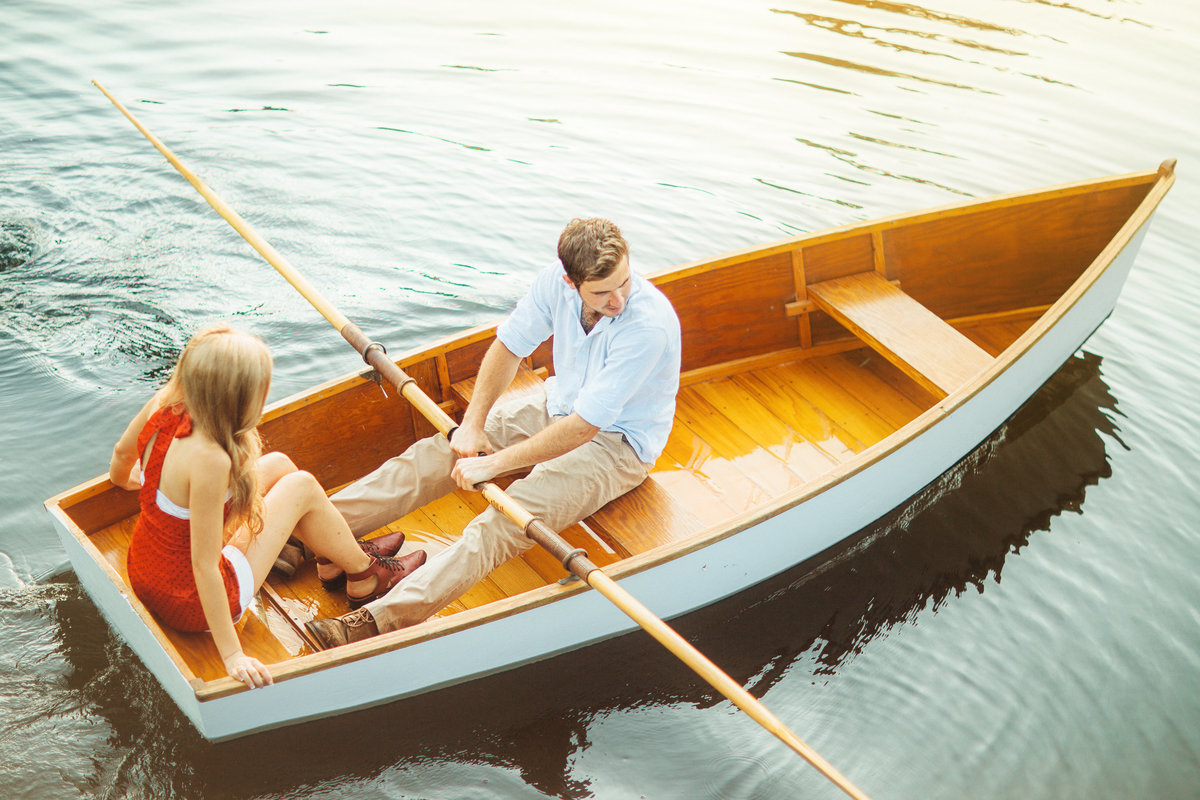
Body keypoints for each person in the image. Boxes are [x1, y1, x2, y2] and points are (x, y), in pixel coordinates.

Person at [305, 217, 681, 648]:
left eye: (625, 282)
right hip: (557, 403)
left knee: (503, 521)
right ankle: (309, 532)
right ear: (569, 280)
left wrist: (494, 464)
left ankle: (374, 622)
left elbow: (584, 428)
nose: (617, 299)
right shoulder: (552, 284)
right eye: (601, 292)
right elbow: (509, 347)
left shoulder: (647, 326)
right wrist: (472, 426)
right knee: (436, 454)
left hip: (616, 444)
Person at [110, 324, 426, 688]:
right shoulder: (211, 459)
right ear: (239, 398)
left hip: (145, 567)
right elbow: (203, 566)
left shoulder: (165, 402)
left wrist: (142, 485)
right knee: (302, 485)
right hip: (188, 601)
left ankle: (330, 559)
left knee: (277, 464)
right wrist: (233, 656)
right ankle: (365, 574)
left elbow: (121, 457)